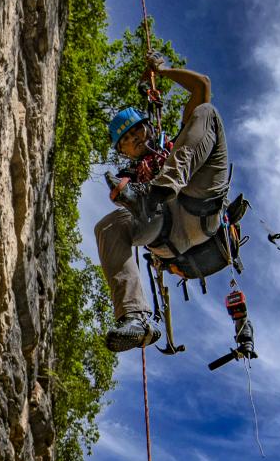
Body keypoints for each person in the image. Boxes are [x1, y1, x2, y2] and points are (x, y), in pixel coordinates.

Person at [95, 54, 230, 352]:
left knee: (206, 112)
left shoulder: (178, 143)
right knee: (108, 225)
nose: (135, 138)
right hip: (166, 231)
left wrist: (163, 71)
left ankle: (161, 189)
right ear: (124, 152)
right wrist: (128, 198)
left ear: (149, 127)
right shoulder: (130, 177)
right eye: (127, 140)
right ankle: (136, 318)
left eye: (137, 130)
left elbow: (201, 85)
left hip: (199, 205)